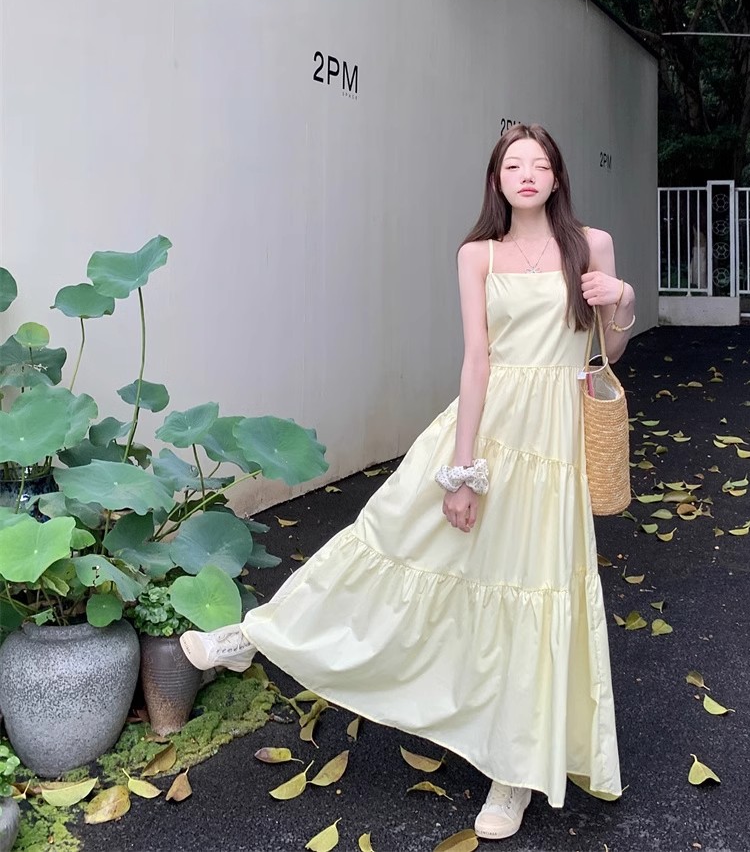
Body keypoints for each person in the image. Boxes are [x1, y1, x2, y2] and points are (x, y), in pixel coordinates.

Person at [181, 123, 637, 841]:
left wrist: (622, 297)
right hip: (486, 429)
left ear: (557, 177)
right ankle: (260, 634)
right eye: (513, 164)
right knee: (390, 533)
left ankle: (513, 775)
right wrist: (463, 471)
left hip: (553, 444)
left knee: (532, 590)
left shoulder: (592, 245)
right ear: (496, 180)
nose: (526, 173)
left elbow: (607, 350)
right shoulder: (478, 254)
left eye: (540, 164)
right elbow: (477, 361)